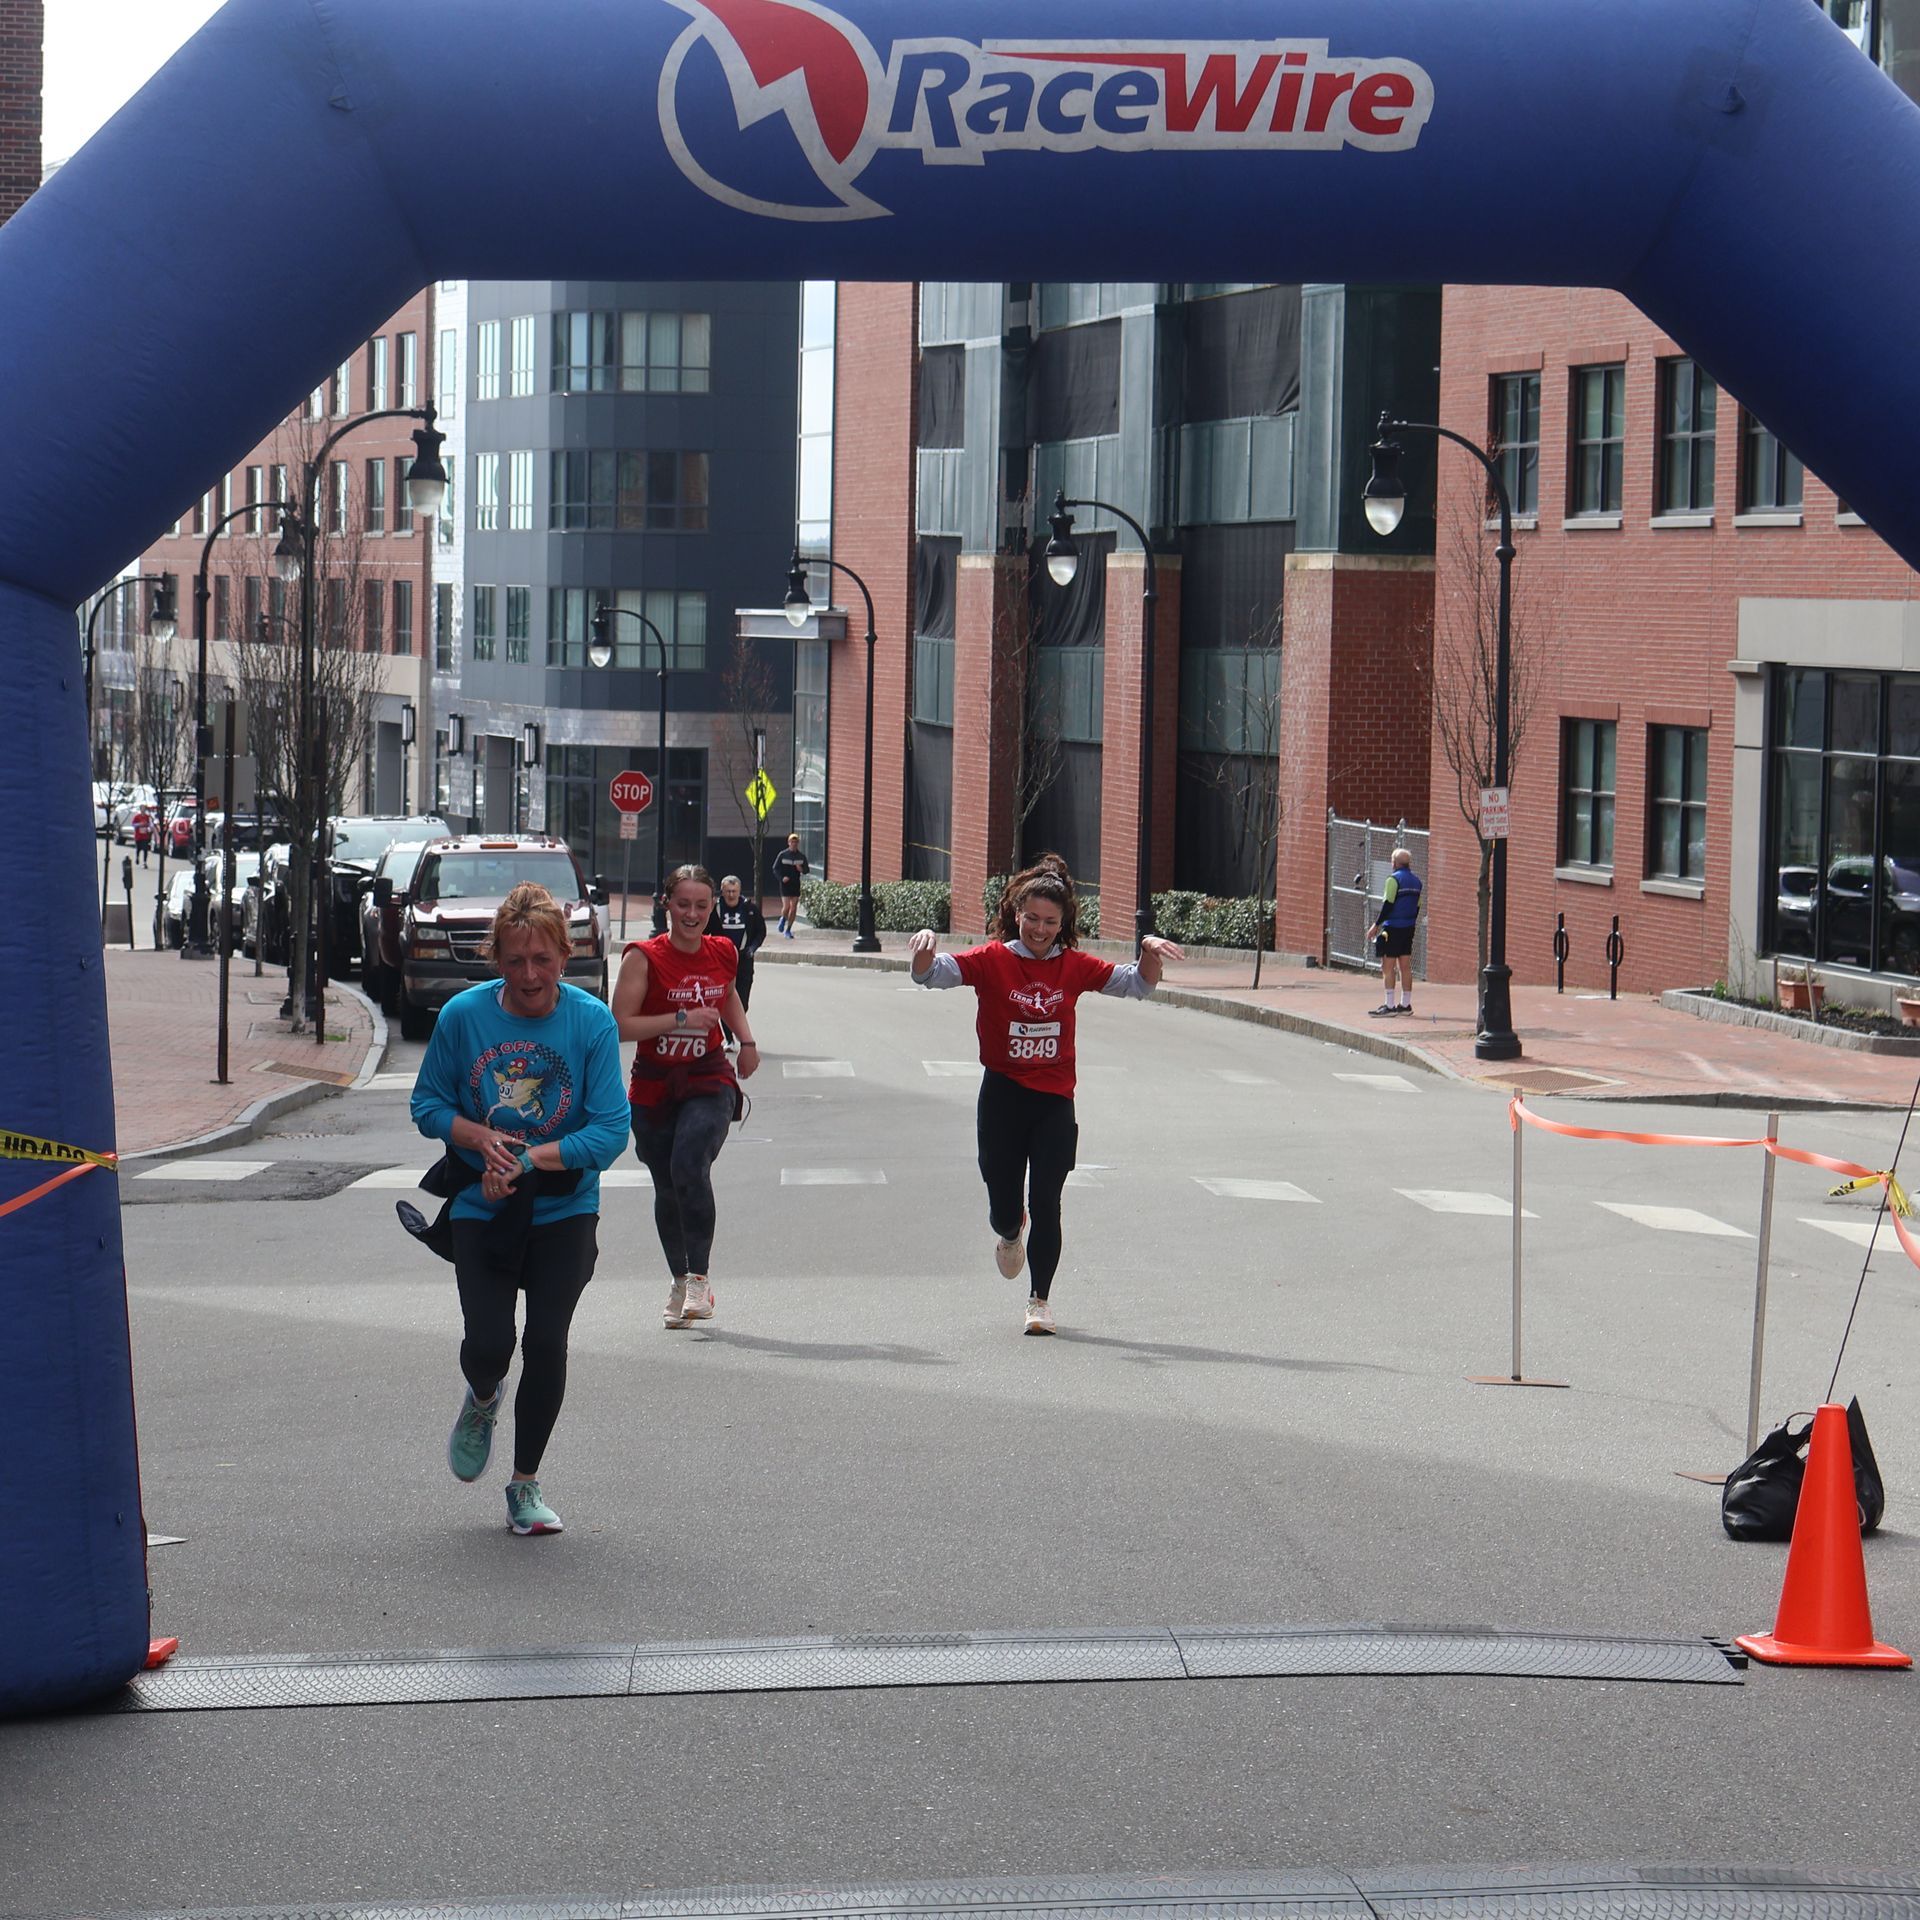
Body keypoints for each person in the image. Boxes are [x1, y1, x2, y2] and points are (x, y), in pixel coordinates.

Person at [409, 882, 630, 1536]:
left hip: (564, 1206)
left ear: (565, 954)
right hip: (481, 1203)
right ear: (496, 959)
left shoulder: (590, 1021)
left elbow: (610, 1131)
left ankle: (525, 1484)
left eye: (542, 960)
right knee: (489, 1344)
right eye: (514, 961)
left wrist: (530, 1160)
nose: (530, 976)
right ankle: (483, 1397)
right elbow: (427, 1105)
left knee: (545, 1342)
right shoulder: (463, 1017)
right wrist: (479, 1139)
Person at [907, 858, 1183, 1335]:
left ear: (1063, 923)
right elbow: (932, 975)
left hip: (1054, 1100)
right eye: (1032, 918)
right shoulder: (993, 959)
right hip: (1002, 1097)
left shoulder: (1074, 966)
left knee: (1047, 1200)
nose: (1040, 929)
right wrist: (924, 953)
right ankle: (1009, 1231)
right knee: (1003, 1205)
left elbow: (1137, 984)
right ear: (1016, 914)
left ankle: (1039, 1301)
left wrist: (1148, 953)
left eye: (1050, 922)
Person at [613, 864, 761, 1329]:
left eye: (701, 905)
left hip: (707, 1076)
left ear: (713, 906)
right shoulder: (643, 957)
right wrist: (680, 1019)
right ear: (667, 905)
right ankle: (679, 1280)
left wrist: (746, 1040)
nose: (692, 914)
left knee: (689, 1165)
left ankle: (699, 1279)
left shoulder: (722, 950)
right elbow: (621, 1025)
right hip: (655, 1082)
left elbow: (728, 994)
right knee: (667, 1184)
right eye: (683, 904)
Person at [1366, 846, 1423, 1016]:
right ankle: (1405, 1004)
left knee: (1387, 966)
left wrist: (1376, 925)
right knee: (1405, 966)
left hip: (1392, 927)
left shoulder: (1393, 880)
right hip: (1409, 927)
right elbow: (1417, 906)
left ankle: (1389, 1005)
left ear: (1395, 863)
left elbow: (1388, 904)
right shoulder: (1417, 882)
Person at [708, 873, 768, 1010]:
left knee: (742, 1002)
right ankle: (727, 1024)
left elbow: (760, 931)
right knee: (722, 1000)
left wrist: (752, 948)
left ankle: (736, 1021)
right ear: (722, 891)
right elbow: (704, 932)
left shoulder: (750, 909)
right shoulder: (714, 910)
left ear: (739, 891)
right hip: (721, 960)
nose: (731, 895)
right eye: (728, 891)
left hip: (743, 960)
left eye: (734, 891)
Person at [771, 833, 810, 938]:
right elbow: (775, 868)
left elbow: (806, 870)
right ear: (788, 843)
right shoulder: (783, 855)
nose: (794, 844)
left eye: (796, 842)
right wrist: (781, 878)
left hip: (795, 884)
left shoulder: (801, 856)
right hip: (785, 884)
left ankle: (788, 930)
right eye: (792, 842)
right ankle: (783, 918)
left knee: (793, 908)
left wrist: (801, 869)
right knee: (787, 906)